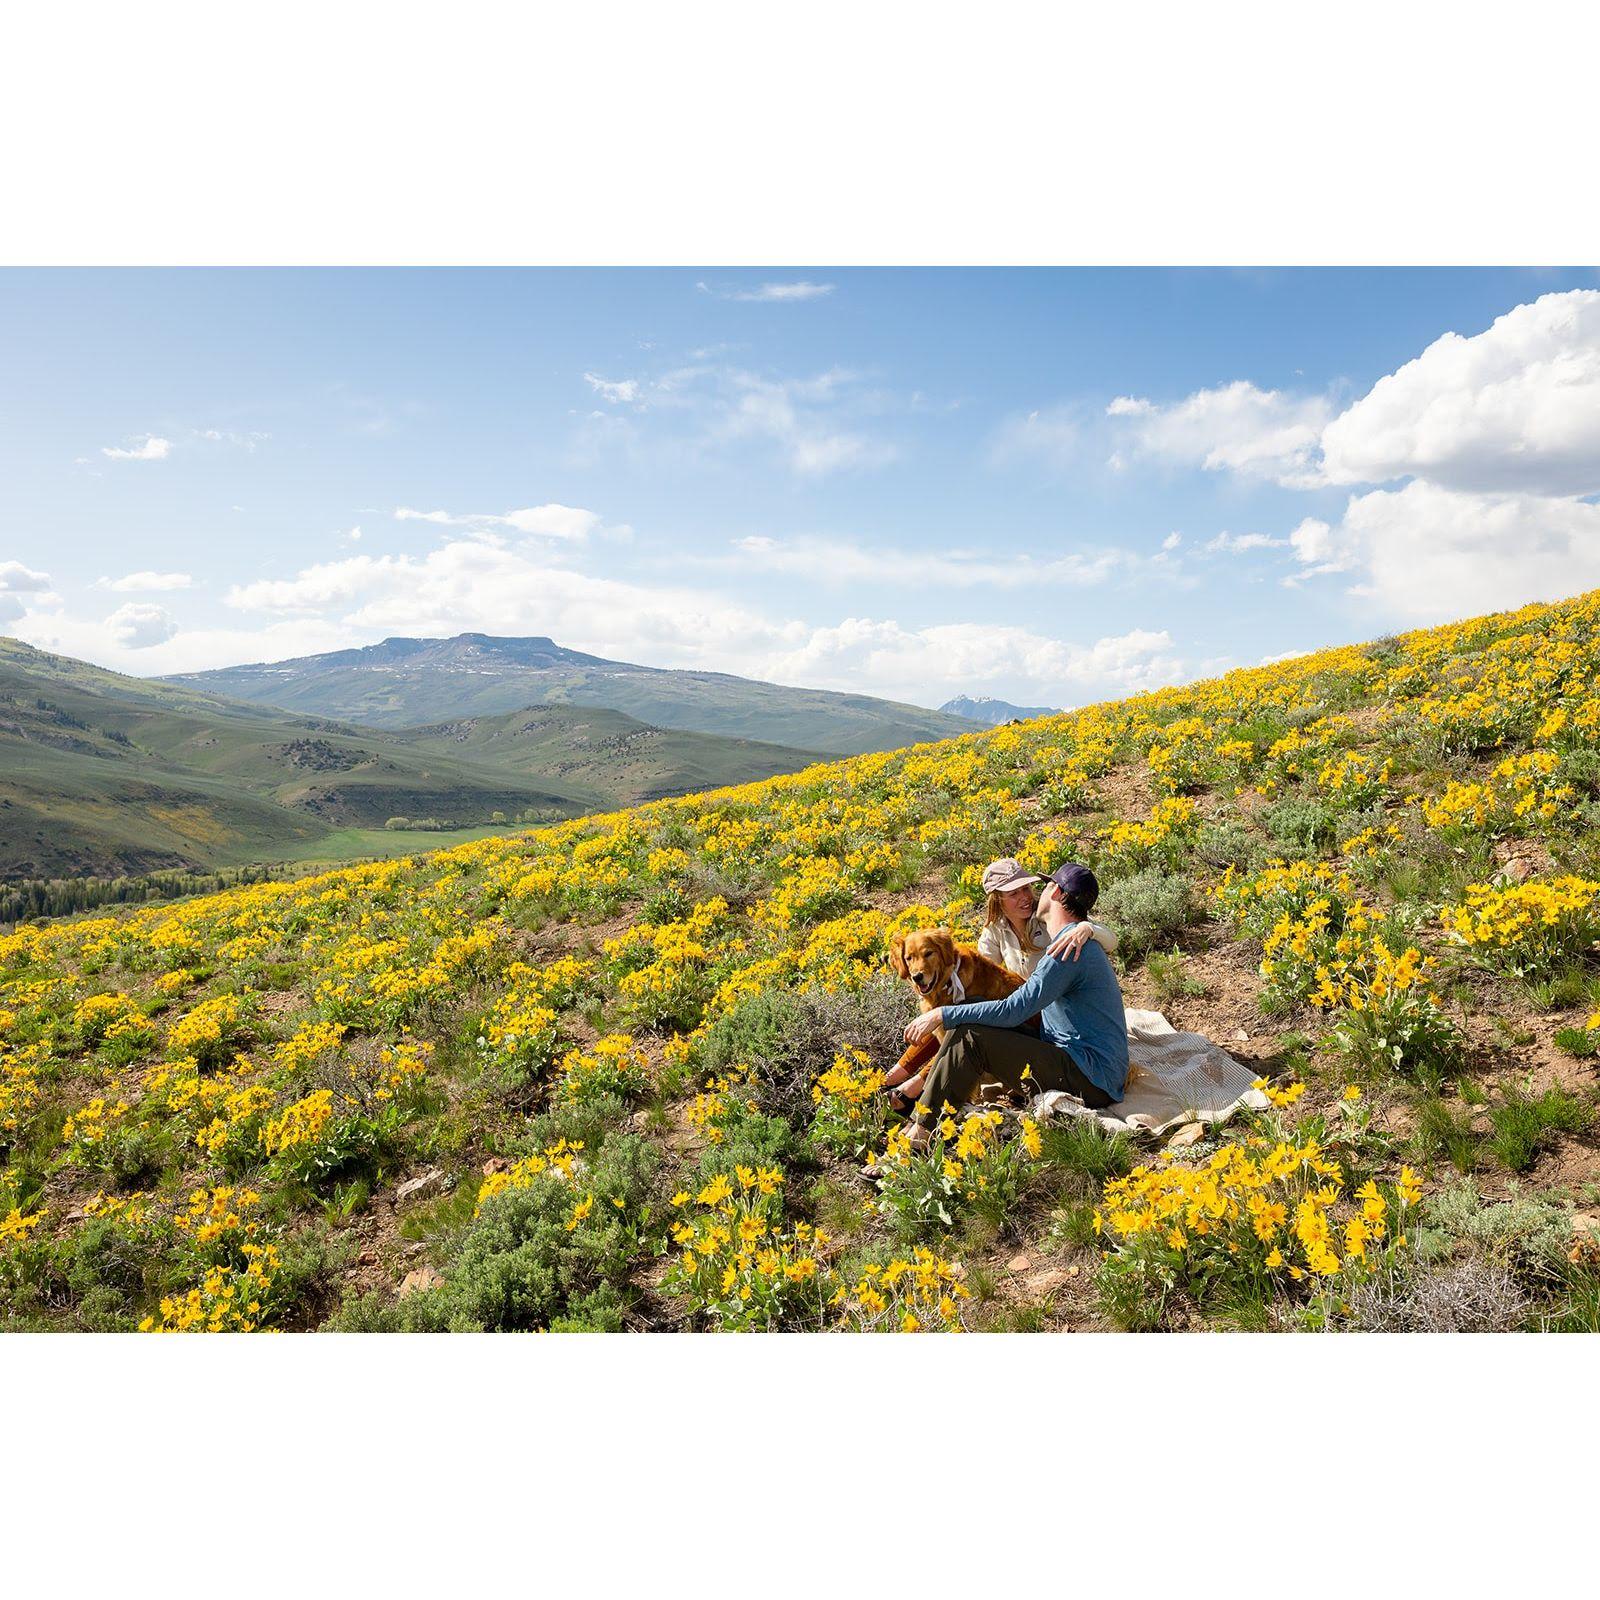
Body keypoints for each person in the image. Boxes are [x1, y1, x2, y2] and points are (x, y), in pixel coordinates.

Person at [900, 862, 1128, 1150]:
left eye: (1041, 886)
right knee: (971, 1021)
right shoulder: (1050, 940)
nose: (1033, 895)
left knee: (972, 1036)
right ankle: (922, 1117)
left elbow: (1014, 1009)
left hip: (1092, 1078)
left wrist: (942, 1013)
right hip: (1078, 1059)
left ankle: (921, 1133)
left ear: (1056, 893)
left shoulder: (1067, 949)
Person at [975, 856, 1118, 978]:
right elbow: (984, 971)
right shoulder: (995, 929)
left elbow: (1111, 942)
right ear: (997, 900)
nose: (1024, 897)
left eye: (1026, 888)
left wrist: (1087, 928)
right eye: (1013, 894)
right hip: (1029, 1004)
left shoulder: (1048, 914)